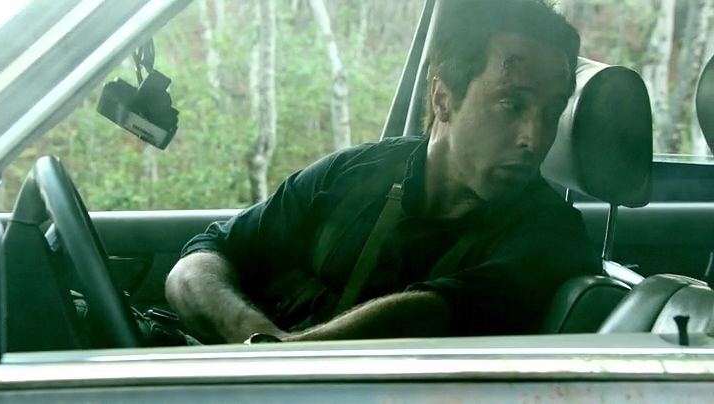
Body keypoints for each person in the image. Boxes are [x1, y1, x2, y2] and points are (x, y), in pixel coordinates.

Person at [165, 0, 601, 344]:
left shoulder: (553, 240)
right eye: (512, 104)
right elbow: (200, 261)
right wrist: (256, 338)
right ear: (443, 99)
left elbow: (421, 317)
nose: (534, 138)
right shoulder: (353, 174)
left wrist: (281, 356)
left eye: (552, 111)